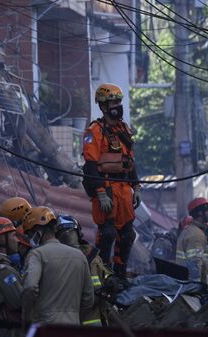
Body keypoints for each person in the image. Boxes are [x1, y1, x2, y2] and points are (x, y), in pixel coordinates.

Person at [82, 83, 141, 277]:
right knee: (107, 234)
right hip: (106, 188)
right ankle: (102, 273)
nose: (117, 105)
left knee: (127, 235)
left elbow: (129, 162)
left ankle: (120, 274)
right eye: (112, 102)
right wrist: (100, 193)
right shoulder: (95, 131)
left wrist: (137, 186)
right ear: (103, 106)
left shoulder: (124, 130)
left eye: (118, 101)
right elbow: (90, 165)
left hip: (124, 189)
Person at [21, 207, 94, 325]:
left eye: (30, 234)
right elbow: (88, 298)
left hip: (45, 326)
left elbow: (29, 287)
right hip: (73, 326)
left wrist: (26, 317)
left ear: (38, 231)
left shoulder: (37, 254)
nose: (30, 239)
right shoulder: (79, 256)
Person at [55, 215, 112, 326]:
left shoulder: (93, 256)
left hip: (99, 320)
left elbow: (104, 275)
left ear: (79, 234)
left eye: (70, 232)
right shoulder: (56, 262)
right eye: (62, 234)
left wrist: (111, 280)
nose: (67, 236)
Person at [175, 198, 208, 282]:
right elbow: (196, 265)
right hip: (194, 283)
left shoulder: (190, 230)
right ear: (200, 213)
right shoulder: (196, 235)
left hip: (185, 280)